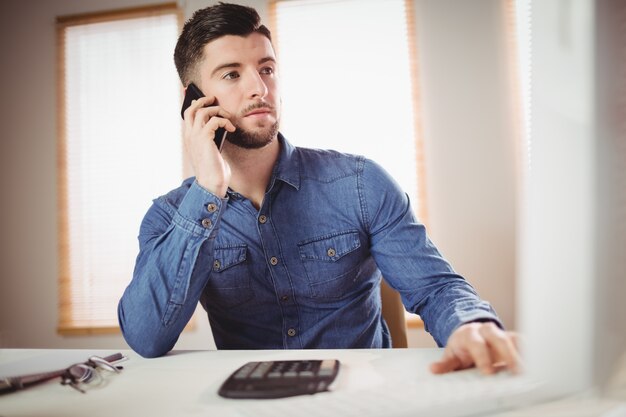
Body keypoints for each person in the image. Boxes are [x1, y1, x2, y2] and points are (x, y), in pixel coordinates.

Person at [118, 2, 520, 375]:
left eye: (267, 69)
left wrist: (471, 324)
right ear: (194, 101)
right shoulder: (171, 216)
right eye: (232, 74)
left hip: (364, 398)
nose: (259, 87)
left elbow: (435, 287)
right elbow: (147, 338)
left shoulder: (361, 183)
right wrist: (208, 189)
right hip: (252, 404)